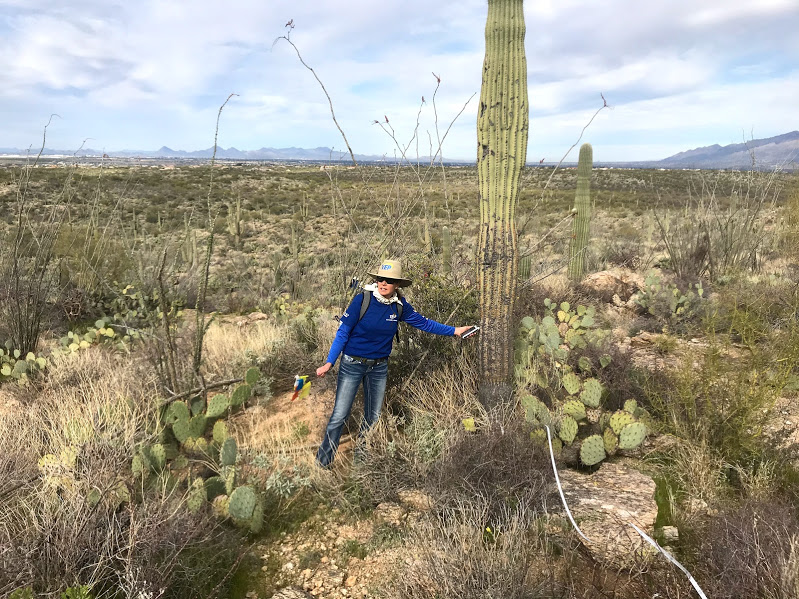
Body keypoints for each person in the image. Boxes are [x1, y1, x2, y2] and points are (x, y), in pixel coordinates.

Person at [315, 259, 473, 468]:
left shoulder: (399, 307)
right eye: (381, 278)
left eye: (389, 280)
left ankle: (361, 464)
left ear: (397, 284)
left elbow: (424, 323)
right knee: (340, 415)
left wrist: (454, 330)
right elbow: (343, 331)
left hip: (378, 367)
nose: (383, 283)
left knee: (372, 417)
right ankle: (323, 463)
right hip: (352, 364)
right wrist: (329, 362)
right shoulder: (362, 300)